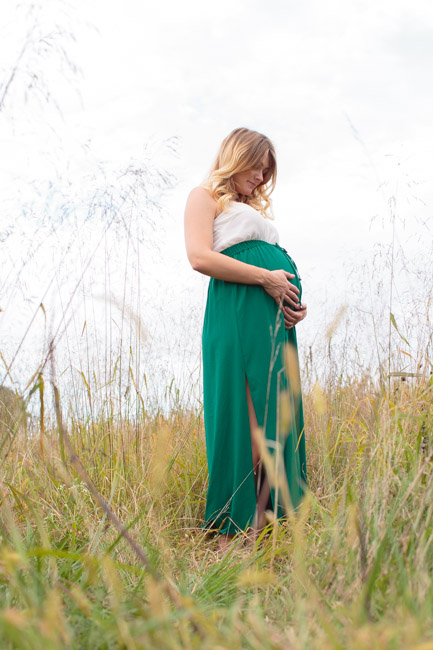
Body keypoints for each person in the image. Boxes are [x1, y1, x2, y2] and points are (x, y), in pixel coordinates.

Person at [184, 127, 308, 550]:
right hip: (237, 311)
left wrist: (293, 302)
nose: (261, 178)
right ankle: (231, 532)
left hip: (272, 319)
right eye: (258, 167)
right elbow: (199, 257)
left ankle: (266, 524)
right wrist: (266, 278)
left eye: (266, 172)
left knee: (278, 416)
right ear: (237, 157)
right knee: (248, 419)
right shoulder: (203, 197)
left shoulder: (249, 207)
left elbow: (274, 266)